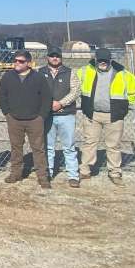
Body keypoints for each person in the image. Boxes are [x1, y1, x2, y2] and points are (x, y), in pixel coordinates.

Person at [77, 48, 135, 185]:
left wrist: (125, 107)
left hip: (114, 116)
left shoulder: (123, 74)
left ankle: (115, 172)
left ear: (110, 60)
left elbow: (134, 91)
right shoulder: (84, 71)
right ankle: (85, 171)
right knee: (89, 143)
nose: (103, 63)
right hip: (92, 115)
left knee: (113, 146)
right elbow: (74, 85)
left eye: (105, 60)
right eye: (100, 60)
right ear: (95, 59)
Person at [0, 50, 53, 188]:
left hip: (35, 120)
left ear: (28, 63)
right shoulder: (7, 77)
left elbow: (46, 98)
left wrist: (41, 116)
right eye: (15, 60)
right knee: (16, 148)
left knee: (38, 149)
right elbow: (2, 96)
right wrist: (7, 114)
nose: (17, 63)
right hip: (14, 119)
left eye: (21, 61)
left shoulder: (39, 77)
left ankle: (42, 177)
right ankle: (16, 174)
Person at [38, 47, 82, 188]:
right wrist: (47, 104)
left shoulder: (70, 72)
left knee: (69, 146)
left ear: (61, 57)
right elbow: (37, 91)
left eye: (57, 56)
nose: (55, 58)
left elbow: (75, 91)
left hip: (66, 114)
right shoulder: (40, 72)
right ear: (47, 57)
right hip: (47, 115)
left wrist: (61, 103)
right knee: (48, 147)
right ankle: (48, 173)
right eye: (52, 56)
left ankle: (73, 175)